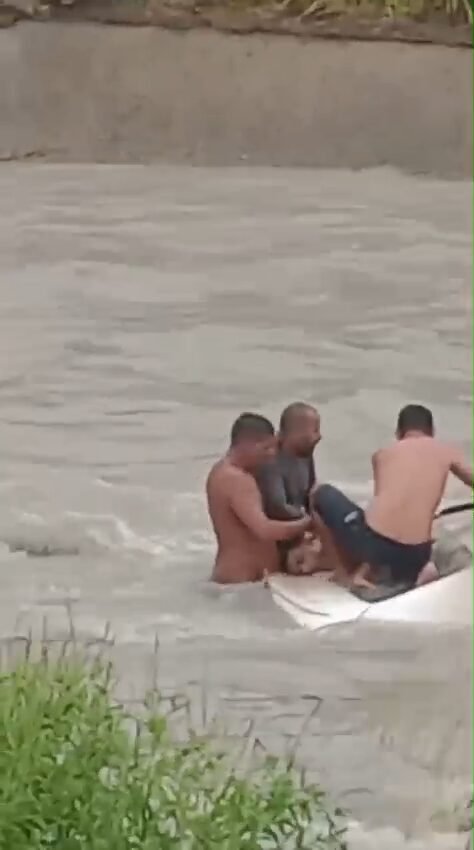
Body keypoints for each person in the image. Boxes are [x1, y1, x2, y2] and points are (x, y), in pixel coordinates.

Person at [311, 404, 473, 589]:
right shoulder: (446, 451)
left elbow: (378, 513)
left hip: (378, 550)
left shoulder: (382, 455)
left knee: (320, 494)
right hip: (417, 556)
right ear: (432, 432)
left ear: (398, 433)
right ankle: (409, 572)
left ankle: (341, 571)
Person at [206, 412, 314, 584]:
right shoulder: (237, 480)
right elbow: (265, 530)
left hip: (239, 579)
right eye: (266, 448)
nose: (272, 454)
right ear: (247, 445)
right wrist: (307, 523)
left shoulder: (221, 471)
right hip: (242, 581)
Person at [255, 403, 330, 575]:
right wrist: (309, 522)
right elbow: (277, 506)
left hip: (301, 532)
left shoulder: (305, 455)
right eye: (314, 430)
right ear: (295, 433)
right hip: (280, 541)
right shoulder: (272, 461)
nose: (319, 436)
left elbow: (311, 494)